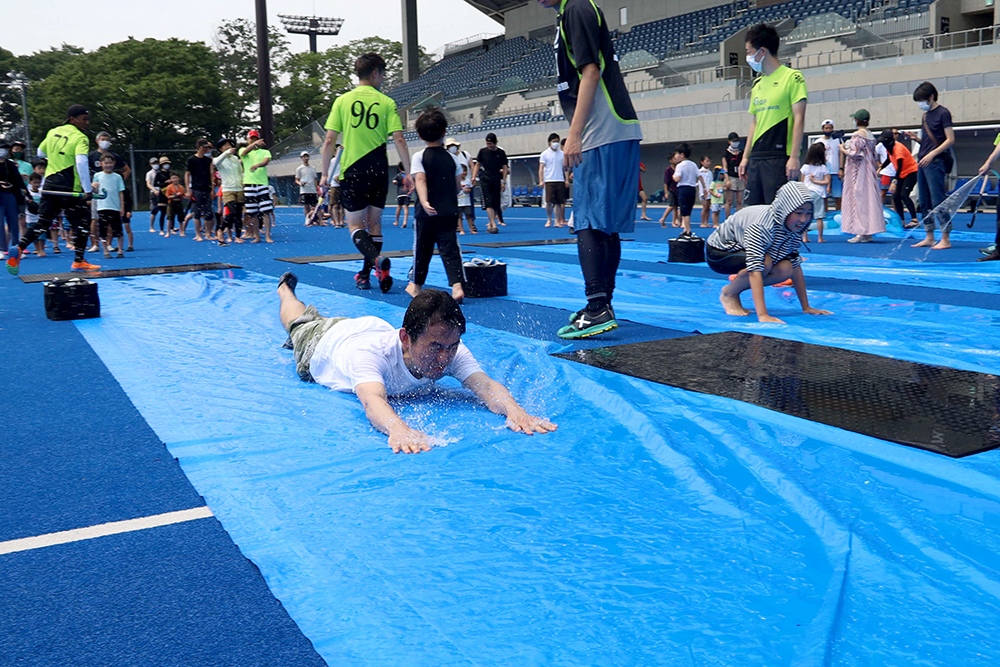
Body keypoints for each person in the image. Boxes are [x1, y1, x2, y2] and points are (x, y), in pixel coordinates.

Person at [276, 275, 557, 454]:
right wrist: (398, 428)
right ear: (406, 338)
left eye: (452, 346)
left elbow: (484, 385)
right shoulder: (371, 356)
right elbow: (372, 400)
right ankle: (284, 290)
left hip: (364, 328)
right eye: (435, 347)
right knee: (299, 322)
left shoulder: (447, 345)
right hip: (322, 344)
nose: (445, 357)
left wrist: (515, 411)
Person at [540, 0, 643, 339]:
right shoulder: (572, 10)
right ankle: (603, 305)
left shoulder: (576, 8)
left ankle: (598, 305)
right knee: (605, 226)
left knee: (585, 220)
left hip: (602, 131)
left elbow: (591, 71)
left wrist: (575, 133)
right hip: (615, 129)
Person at [320, 52, 412, 291]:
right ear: (375, 73)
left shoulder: (342, 101)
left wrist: (324, 174)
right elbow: (400, 140)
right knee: (375, 226)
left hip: (354, 170)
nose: (382, 79)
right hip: (379, 168)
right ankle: (366, 274)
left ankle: (375, 263)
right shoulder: (387, 102)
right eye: (382, 74)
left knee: (356, 227)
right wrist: (409, 172)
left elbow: (329, 140)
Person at [706, 181, 833, 324]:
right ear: (786, 209)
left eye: (808, 214)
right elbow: (755, 269)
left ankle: (733, 289)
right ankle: (729, 293)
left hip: (748, 251)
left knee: (785, 269)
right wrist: (763, 315)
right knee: (764, 262)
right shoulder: (762, 226)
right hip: (719, 252)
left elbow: (795, 266)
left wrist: (806, 307)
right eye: (798, 213)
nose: (803, 219)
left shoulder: (795, 227)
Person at [7, 105, 100, 275]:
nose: (87, 122)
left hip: (49, 184)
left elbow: (40, 152)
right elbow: (80, 163)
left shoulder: (53, 132)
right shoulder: (80, 137)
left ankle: (19, 248)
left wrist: (57, 158)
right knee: (83, 222)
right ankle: (79, 261)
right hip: (70, 187)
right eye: (84, 119)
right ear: (73, 119)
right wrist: (87, 190)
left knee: (43, 221)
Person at [739, 23, 808, 206]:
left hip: (778, 158)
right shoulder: (757, 84)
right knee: (753, 214)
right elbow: (754, 123)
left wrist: (794, 156)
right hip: (756, 157)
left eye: (749, 51)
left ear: (762, 51)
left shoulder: (792, 77)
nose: (747, 57)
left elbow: (799, 119)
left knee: (778, 215)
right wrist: (745, 157)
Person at [405, 107, 466, 304]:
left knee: (422, 249)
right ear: (444, 132)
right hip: (448, 210)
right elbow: (458, 185)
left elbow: (420, 180)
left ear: (420, 135)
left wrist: (424, 201)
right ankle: (457, 286)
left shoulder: (419, 156)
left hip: (426, 213)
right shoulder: (453, 158)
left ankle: (416, 285)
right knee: (450, 248)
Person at [908, 82, 956, 249]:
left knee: (938, 200)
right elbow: (929, 141)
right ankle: (929, 235)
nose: (920, 104)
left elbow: (950, 139)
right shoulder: (925, 116)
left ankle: (945, 237)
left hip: (935, 162)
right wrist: (917, 140)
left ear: (931, 97)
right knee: (924, 200)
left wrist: (932, 154)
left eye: (922, 100)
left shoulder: (943, 113)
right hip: (923, 160)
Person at [839, 109, 884, 243]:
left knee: (857, 199)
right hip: (869, 171)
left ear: (857, 120)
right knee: (868, 200)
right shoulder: (870, 136)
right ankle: (868, 231)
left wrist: (842, 149)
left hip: (858, 172)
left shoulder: (857, 135)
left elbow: (854, 153)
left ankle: (860, 232)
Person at [89, 131, 133, 252]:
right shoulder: (91, 156)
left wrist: (117, 182)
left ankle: (109, 244)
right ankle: (95, 244)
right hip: (97, 194)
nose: (105, 141)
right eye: (102, 139)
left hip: (111, 196)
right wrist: (89, 186)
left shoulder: (114, 157)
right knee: (95, 219)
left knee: (111, 220)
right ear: (97, 141)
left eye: (107, 139)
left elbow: (127, 169)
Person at [881, 130, 919, 230]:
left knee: (904, 194)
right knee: (896, 196)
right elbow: (889, 159)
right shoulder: (889, 148)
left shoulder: (898, 148)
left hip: (910, 172)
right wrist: (880, 168)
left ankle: (914, 219)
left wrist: (894, 181)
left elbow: (900, 166)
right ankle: (901, 221)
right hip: (902, 174)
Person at [470, 133, 508, 234]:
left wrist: (503, 181)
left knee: (496, 202)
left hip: (496, 179)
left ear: (495, 142)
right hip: (485, 179)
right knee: (488, 202)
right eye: (487, 143)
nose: (489, 145)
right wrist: (473, 176)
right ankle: (493, 223)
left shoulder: (501, 153)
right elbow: (477, 164)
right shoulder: (482, 152)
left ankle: (491, 223)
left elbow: (505, 168)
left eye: (491, 143)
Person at [240, 130, 273, 243]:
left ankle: (268, 236)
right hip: (249, 184)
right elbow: (244, 153)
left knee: (266, 211)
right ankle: (256, 236)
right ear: (248, 139)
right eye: (251, 138)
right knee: (252, 212)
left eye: (255, 138)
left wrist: (257, 165)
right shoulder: (244, 151)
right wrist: (255, 144)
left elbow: (266, 161)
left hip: (262, 183)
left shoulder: (264, 152)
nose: (253, 140)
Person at [92, 153, 126, 259]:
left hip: (114, 207)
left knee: (118, 230)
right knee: (103, 230)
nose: (108, 165)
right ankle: (105, 251)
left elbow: (121, 192)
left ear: (114, 163)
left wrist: (122, 207)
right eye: (106, 163)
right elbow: (94, 191)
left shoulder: (117, 177)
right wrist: (93, 187)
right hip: (102, 207)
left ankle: (120, 250)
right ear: (101, 164)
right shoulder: (97, 176)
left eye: (110, 163)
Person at [0, 142, 30, 256]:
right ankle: (1, 249)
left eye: (5, 149)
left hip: (10, 195)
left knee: (13, 222)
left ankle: (16, 247)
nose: (3, 151)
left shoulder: (10, 164)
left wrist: (28, 196)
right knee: (0, 224)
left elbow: (18, 181)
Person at [213, 138, 243, 244]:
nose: (228, 147)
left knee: (238, 214)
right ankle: (221, 229)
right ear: (221, 149)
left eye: (229, 145)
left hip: (239, 188)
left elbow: (240, 172)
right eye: (225, 146)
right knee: (232, 211)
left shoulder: (235, 158)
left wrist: (243, 181)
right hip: (228, 189)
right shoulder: (219, 159)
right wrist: (226, 153)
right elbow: (215, 162)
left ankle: (238, 236)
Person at [185, 138, 215, 242]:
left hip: (207, 188)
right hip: (196, 189)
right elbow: (187, 174)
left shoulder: (208, 160)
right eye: (204, 147)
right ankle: (198, 234)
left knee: (208, 212)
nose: (206, 149)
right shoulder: (191, 160)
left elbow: (211, 175)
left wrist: (212, 189)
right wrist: (188, 189)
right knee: (196, 212)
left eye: (207, 147)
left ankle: (208, 233)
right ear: (198, 148)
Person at [799, 142, 830, 243]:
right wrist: (816, 181)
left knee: (805, 215)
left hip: (806, 192)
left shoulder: (805, 167)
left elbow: (802, 182)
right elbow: (826, 181)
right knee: (819, 216)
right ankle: (820, 238)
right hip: (818, 193)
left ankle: (805, 237)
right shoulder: (823, 168)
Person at [814, 120, 844, 214]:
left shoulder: (837, 140)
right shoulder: (818, 141)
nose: (828, 130)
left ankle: (839, 214)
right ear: (823, 129)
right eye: (826, 128)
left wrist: (841, 168)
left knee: (838, 195)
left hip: (835, 172)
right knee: (824, 196)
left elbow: (841, 154)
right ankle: (825, 214)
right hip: (823, 173)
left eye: (830, 128)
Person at [539, 133, 568, 227]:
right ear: (549, 143)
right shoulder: (545, 154)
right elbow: (541, 168)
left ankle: (557, 221)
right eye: (554, 141)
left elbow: (565, 168)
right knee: (549, 202)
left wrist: (566, 179)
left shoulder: (562, 154)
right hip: (549, 180)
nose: (556, 143)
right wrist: (541, 180)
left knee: (560, 202)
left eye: (557, 141)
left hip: (560, 179)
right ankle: (548, 219)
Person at [672, 143, 699, 237]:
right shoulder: (693, 164)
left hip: (683, 188)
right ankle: (686, 228)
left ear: (682, 154)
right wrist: (704, 187)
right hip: (692, 188)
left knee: (684, 210)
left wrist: (674, 176)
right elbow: (700, 176)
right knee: (689, 209)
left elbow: (677, 178)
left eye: (677, 154)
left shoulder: (680, 165)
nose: (675, 156)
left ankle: (688, 230)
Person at [722, 132, 745, 217]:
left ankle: (739, 218)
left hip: (739, 177)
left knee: (739, 201)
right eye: (733, 141)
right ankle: (728, 219)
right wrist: (727, 179)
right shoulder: (726, 153)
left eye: (737, 141)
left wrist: (745, 176)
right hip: (731, 177)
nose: (736, 143)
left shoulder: (740, 153)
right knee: (729, 201)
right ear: (729, 142)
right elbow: (725, 167)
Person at [293, 151, 319, 226]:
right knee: (306, 206)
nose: (306, 158)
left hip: (313, 190)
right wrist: (301, 184)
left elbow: (315, 179)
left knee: (315, 207)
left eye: (307, 156)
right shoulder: (299, 169)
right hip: (304, 190)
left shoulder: (313, 168)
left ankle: (316, 220)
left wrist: (317, 189)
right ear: (301, 158)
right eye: (304, 157)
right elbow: (296, 180)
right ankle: (307, 221)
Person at [153, 156, 172, 234]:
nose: (166, 165)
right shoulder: (159, 173)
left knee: (171, 212)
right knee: (163, 212)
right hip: (163, 193)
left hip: (170, 193)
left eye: (167, 163)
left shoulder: (170, 173)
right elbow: (155, 183)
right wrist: (165, 183)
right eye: (165, 164)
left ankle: (171, 228)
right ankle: (161, 229)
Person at [658, 153, 678, 227]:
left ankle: (674, 221)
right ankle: (663, 218)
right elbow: (666, 182)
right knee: (672, 205)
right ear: (670, 160)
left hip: (678, 189)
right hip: (672, 189)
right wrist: (666, 192)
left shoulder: (678, 168)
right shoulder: (668, 170)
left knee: (675, 207)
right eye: (674, 159)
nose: (676, 160)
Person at [457, 164, 476, 235]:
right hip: (459, 202)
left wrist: (468, 190)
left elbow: (470, 188)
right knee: (459, 217)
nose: (464, 173)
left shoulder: (468, 181)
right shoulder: (457, 181)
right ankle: (461, 230)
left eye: (465, 171)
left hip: (466, 202)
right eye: (462, 171)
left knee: (468, 216)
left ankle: (471, 229)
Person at [392, 162, 410, 228]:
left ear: (399, 168)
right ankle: (405, 221)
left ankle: (396, 221)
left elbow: (394, 181)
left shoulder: (398, 175)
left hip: (400, 193)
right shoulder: (408, 175)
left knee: (399, 206)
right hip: (407, 193)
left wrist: (399, 184)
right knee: (406, 207)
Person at [697, 155, 713, 228]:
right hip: (703, 191)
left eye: (709, 161)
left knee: (708, 207)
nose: (708, 163)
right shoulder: (700, 172)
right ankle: (702, 222)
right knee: (705, 206)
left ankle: (706, 222)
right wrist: (702, 192)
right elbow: (701, 183)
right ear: (702, 162)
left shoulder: (710, 172)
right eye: (706, 161)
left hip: (710, 191)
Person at [145, 157, 160, 233]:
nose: (156, 164)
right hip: (154, 193)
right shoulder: (149, 173)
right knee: (154, 210)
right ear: (151, 165)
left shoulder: (161, 172)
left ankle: (171, 227)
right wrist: (154, 190)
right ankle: (151, 226)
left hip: (162, 193)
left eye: (157, 163)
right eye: (154, 163)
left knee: (167, 210)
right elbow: (148, 183)